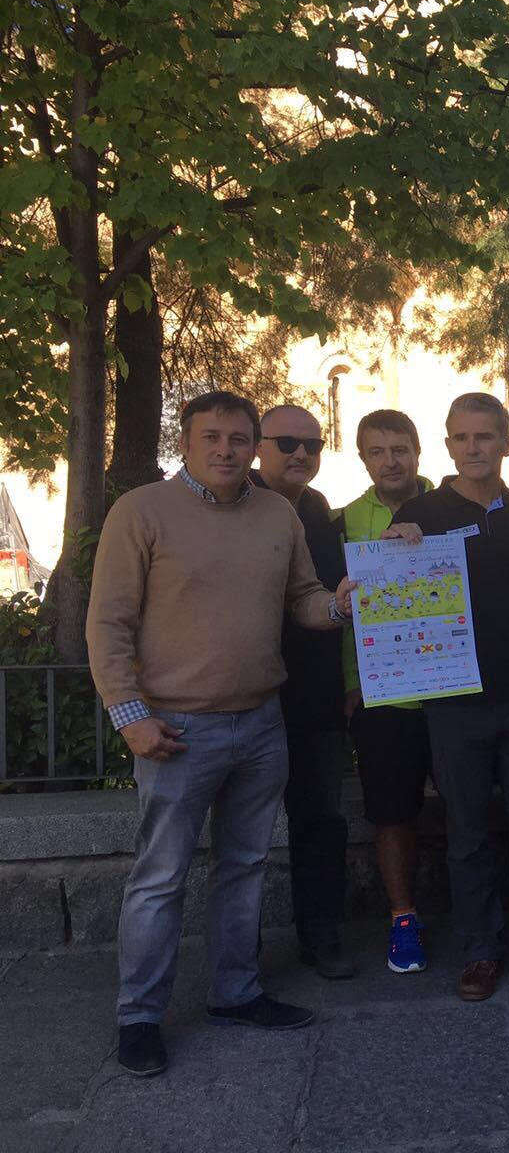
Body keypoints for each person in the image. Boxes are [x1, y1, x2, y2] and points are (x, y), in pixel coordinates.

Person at [87, 391, 355, 1077]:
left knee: (245, 866)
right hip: (175, 727)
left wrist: (337, 607)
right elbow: (108, 622)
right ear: (187, 442)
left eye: (238, 438)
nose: (226, 450)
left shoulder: (277, 514)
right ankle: (139, 1017)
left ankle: (235, 993)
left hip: (262, 721)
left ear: (253, 445)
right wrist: (129, 715)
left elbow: (302, 599)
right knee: (160, 876)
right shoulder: (141, 511)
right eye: (212, 437)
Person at [391, 393, 509, 1003]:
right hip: (454, 704)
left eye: (485, 436)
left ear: (507, 443)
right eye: (461, 437)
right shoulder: (419, 514)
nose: (473, 447)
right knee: (467, 831)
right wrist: (393, 552)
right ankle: (480, 952)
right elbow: (390, 597)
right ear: (448, 445)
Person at [249, 405, 353, 980]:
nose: (301, 454)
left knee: (321, 822)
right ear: (259, 446)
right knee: (244, 832)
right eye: (287, 442)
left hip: (315, 699)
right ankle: (239, 954)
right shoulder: (233, 502)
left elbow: (336, 598)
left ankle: (322, 934)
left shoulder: (318, 510)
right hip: (246, 697)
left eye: (312, 445)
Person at [339, 409, 435, 974]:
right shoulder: (343, 521)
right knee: (392, 814)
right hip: (383, 698)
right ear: (363, 459)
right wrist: (351, 684)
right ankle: (403, 920)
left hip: (453, 692)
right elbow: (339, 612)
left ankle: (483, 918)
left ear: (418, 451)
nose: (390, 461)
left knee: (472, 809)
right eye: (377, 451)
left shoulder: (450, 508)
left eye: (400, 449)